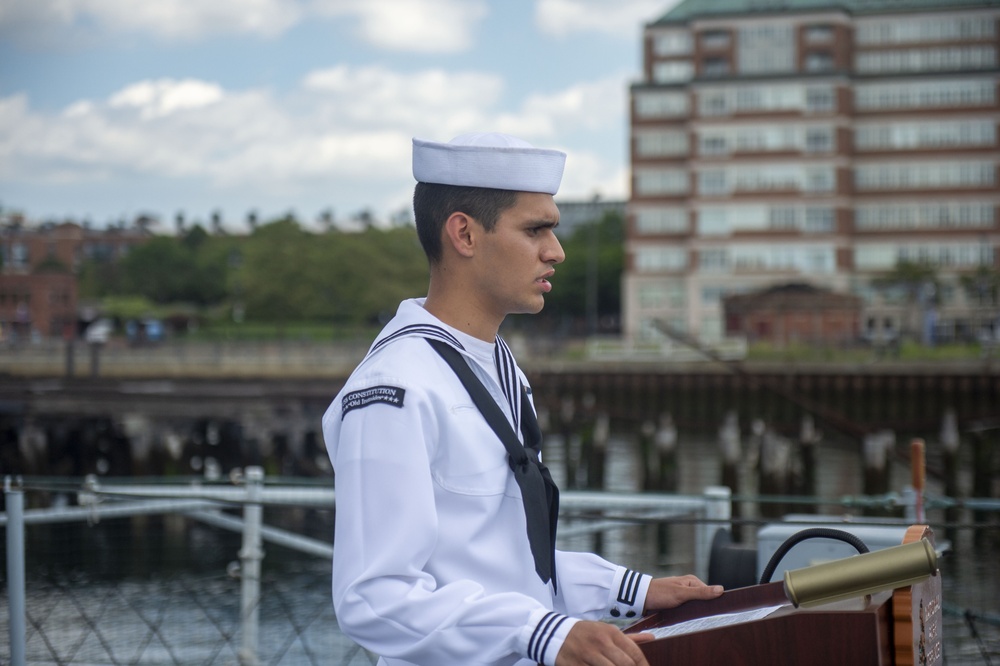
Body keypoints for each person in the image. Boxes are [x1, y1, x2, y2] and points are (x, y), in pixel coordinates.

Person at [322, 132, 722, 666]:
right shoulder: (395, 389)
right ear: (464, 234)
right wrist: (543, 633)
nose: (555, 251)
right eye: (536, 230)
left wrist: (630, 590)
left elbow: (503, 562)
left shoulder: (489, 363)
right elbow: (373, 598)